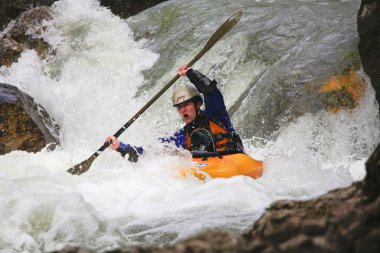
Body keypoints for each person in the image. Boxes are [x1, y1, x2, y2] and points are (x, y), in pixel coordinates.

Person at [105, 65, 244, 162]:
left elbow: (209, 89)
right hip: (211, 170)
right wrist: (119, 146)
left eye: (187, 104)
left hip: (235, 159)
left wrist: (190, 73)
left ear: (197, 104)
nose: (183, 110)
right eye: (180, 107)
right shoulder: (182, 137)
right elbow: (147, 154)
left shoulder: (216, 116)